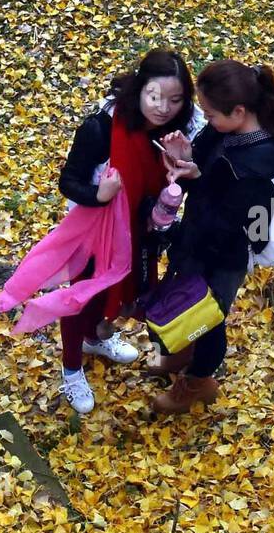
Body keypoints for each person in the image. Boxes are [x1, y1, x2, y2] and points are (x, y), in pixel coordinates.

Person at [55, 49, 204, 413]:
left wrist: (185, 166)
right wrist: (99, 194)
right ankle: (71, 368)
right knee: (84, 294)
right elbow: (68, 181)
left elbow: (185, 184)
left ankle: (95, 337)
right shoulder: (102, 128)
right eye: (154, 96)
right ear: (138, 90)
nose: (162, 107)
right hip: (96, 226)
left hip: (144, 227)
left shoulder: (186, 129)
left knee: (123, 289)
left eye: (174, 99)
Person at [151, 59, 274, 414]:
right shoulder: (226, 129)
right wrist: (186, 161)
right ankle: (181, 350)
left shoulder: (258, 165)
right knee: (184, 300)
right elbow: (203, 162)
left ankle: (199, 380)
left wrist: (180, 225)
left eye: (211, 114)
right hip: (198, 235)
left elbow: (232, 221)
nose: (207, 119)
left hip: (222, 253)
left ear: (239, 111)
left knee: (207, 315)